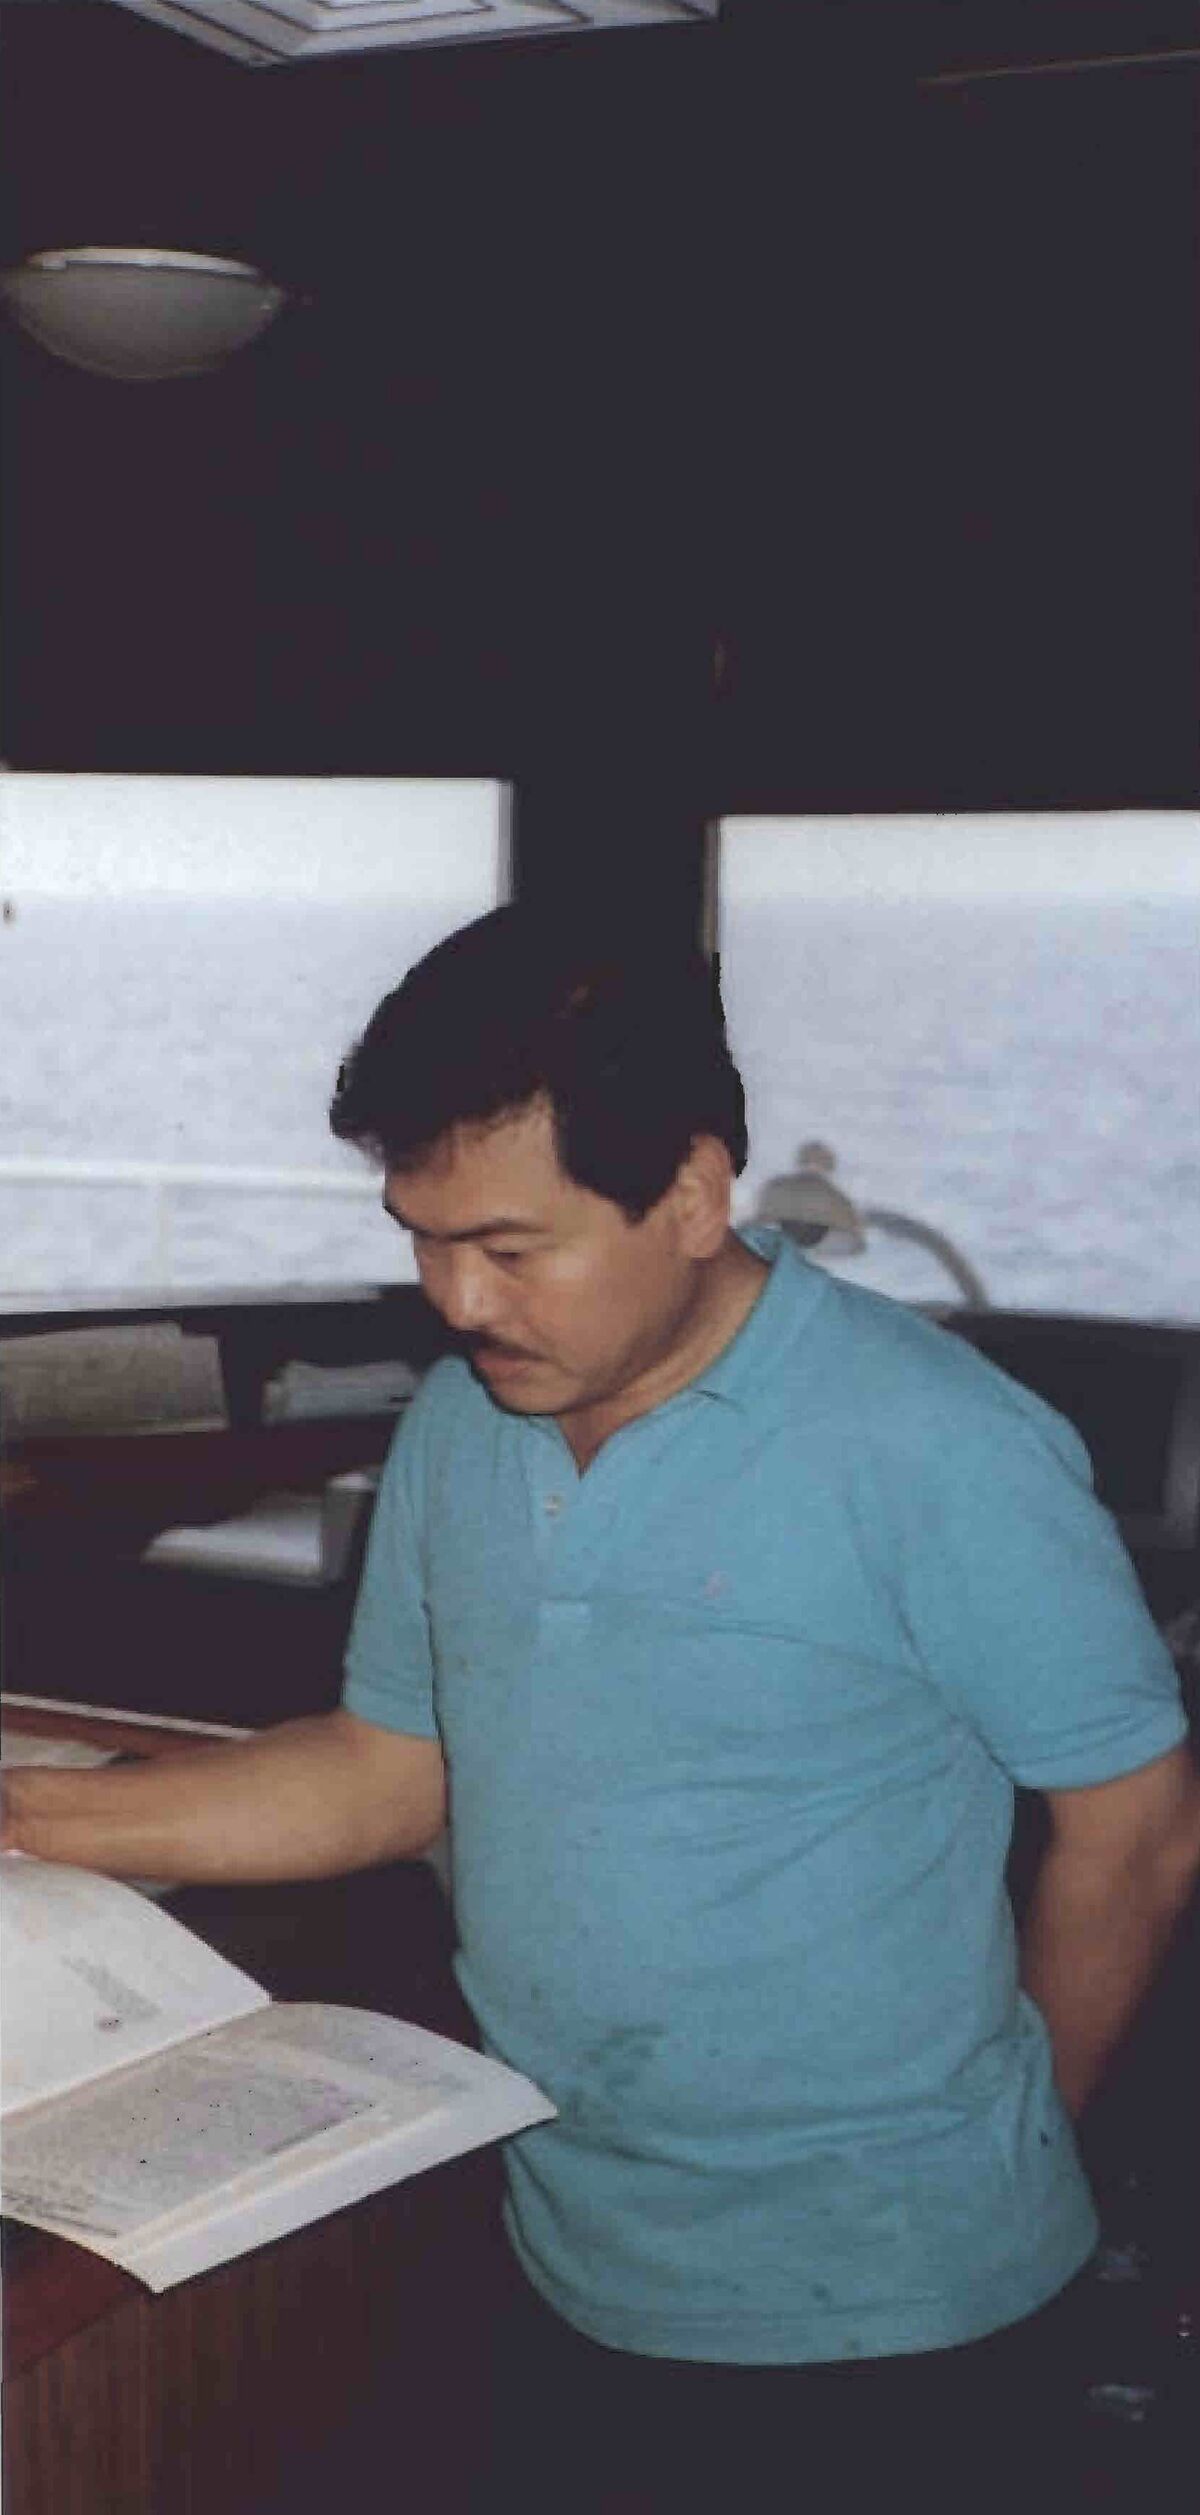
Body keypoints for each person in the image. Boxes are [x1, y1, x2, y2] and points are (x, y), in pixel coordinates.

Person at [5, 905, 1198, 2512]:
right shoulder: (463, 1424)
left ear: (694, 1195)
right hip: (569, 2247)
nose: (456, 1300)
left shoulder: (940, 1448)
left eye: (511, 1250)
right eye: (422, 1238)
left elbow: (1138, 1832)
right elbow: (389, 1770)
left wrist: (1024, 2143)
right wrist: (28, 1813)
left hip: (904, 2303)